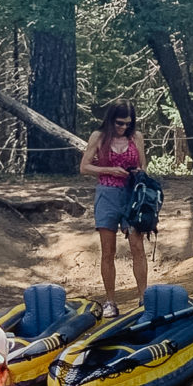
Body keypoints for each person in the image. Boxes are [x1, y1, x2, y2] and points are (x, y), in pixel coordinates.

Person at [79, 101, 147, 318]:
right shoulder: (98, 137)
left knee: (137, 246)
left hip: (131, 194)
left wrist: (138, 173)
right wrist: (109, 169)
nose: (123, 128)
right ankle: (110, 301)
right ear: (111, 119)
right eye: (119, 123)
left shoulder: (136, 137)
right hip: (107, 193)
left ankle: (144, 297)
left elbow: (144, 166)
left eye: (127, 124)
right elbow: (84, 167)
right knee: (108, 251)